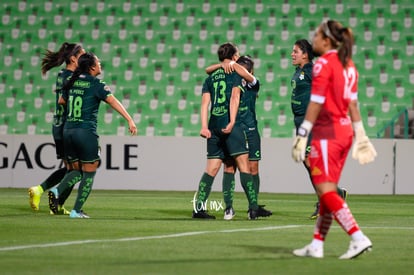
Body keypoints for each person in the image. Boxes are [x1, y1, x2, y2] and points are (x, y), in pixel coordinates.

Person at [291, 20, 377, 259]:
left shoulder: (323, 65)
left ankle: (358, 237)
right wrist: (361, 135)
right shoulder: (349, 64)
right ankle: (317, 245)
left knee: (326, 192)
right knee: (326, 190)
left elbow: (316, 103)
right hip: (345, 132)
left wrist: (301, 135)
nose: (314, 38)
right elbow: (353, 104)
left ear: (326, 40)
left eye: (317, 35)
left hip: (327, 133)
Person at [48, 52, 137, 218]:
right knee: (90, 170)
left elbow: (61, 101)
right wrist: (130, 120)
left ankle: (57, 190)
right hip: (85, 132)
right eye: (99, 62)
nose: (100, 65)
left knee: (76, 170)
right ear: (92, 66)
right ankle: (74, 209)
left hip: (68, 130)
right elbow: (113, 101)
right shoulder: (97, 84)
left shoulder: (71, 81)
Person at [192, 43, 261, 220]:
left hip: (213, 126)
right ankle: (253, 208)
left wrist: (204, 127)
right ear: (234, 56)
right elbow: (234, 97)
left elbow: (204, 104)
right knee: (244, 166)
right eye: (237, 53)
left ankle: (198, 208)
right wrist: (231, 121)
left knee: (211, 169)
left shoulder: (210, 78)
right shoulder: (235, 73)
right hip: (230, 125)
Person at [205, 55, 272, 220]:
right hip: (234, 129)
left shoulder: (252, 82)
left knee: (253, 168)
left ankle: (253, 206)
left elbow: (245, 76)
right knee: (229, 167)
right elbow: (208, 71)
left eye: (243, 66)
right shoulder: (232, 80)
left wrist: (233, 64)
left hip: (250, 129)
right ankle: (229, 207)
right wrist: (224, 64)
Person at [290, 39, 348, 219]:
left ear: (305, 54)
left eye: (296, 51)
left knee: (310, 161)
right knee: (309, 165)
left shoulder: (311, 70)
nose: (292, 54)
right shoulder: (299, 71)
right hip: (300, 122)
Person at [28, 42, 85, 214]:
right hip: (68, 128)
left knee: (72, 169)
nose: (85, 57)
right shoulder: (71, 77)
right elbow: (65, 100)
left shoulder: (63, 74)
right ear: (74, 58)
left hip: (59, 126)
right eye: (82, 55)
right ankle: (49, 195)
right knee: (78, 170)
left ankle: (47, 196)